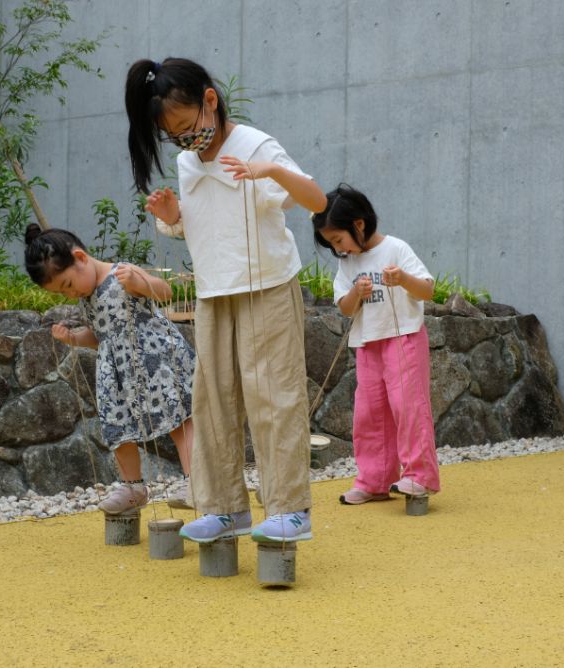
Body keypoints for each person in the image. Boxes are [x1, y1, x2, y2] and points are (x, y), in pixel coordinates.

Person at [124, 57, 327, 543]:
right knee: (212, 402)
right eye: (172, 135)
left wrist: (270, 170)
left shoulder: (254, 144)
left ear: (210, 100)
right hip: (215, 292)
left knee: (274, 398)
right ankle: (224, 508)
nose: (185, 140)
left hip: (268, 287)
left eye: (187, 127)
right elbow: (207, 223)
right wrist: (174, 216)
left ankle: (289, 508)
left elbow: (317, 201)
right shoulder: (187, 161)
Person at [24, 224, 195, 514]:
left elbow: (165, 293)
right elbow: (101, 335)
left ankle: (196, 480)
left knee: (178, 418)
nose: (70, 294)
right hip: (116, 374)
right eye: (61, 294)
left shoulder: (121, 273)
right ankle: (133, 487)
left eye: (67, 285)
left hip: (155, 360)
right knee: (119, 429)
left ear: (80, 257)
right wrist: (74, 339)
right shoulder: (86, 297)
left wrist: (140, 284)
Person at [311, 184, 441, 504]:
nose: (339, 249)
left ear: (358, 224)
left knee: (408, 407)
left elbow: (426, 290)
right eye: (331, 244)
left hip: (403, 338)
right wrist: (357, 293)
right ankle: (374, 479)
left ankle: (418, 476)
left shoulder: (396, 248)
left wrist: (403, 280)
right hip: (368, 345)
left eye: (338, 240)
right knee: (369, 413)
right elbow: (344, 306)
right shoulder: (347, 263)